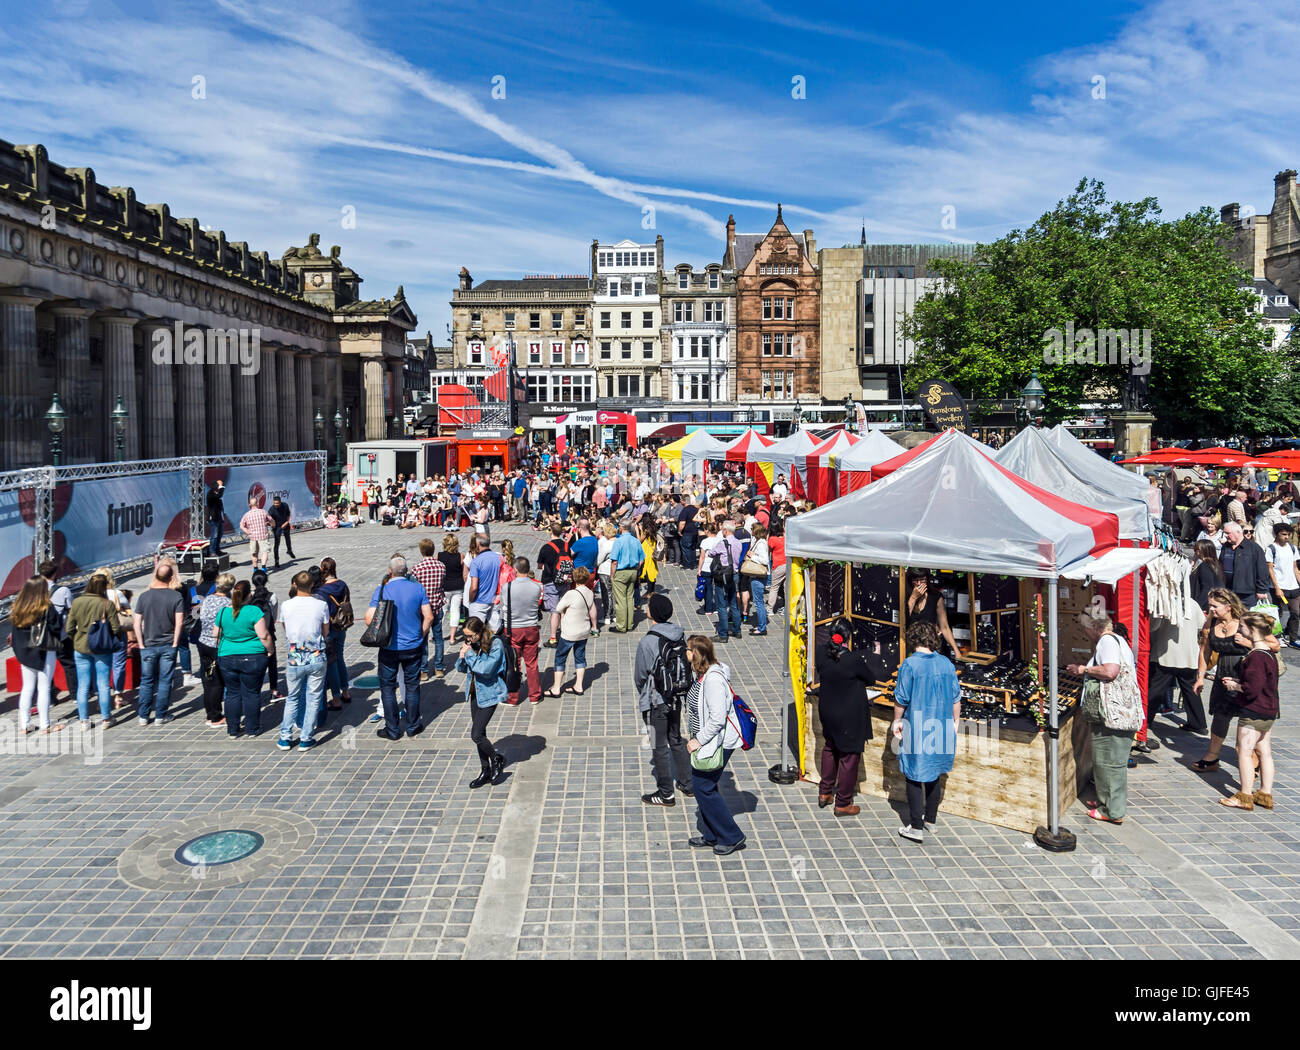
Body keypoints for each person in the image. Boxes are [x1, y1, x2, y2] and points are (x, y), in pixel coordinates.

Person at [1191, 588, 1278, 773]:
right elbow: (1205, 650)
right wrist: (1200, 677)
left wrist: (1248, 643)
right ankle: (1212, 756)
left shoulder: (1246, 622)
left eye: (1215, 606)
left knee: (1248, 718)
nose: (1211, 609)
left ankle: (1253, 759)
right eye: (1210, 605)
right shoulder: (1211, 622)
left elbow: (1274, 645)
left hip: (1247, 675)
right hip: (1223, 675)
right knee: (1221, 716)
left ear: (1228, 607)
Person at [1066, 610, 1139, 825]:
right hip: (1118, 712)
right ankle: (1105, 800)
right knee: (1107, 759)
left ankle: (1112, 811)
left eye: (1085, 627)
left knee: (1109, 761)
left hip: (1113, 713)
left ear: (1095, 626)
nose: (1085, 632)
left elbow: (1110, 671)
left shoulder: (1106, 641)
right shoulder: (1117, 640)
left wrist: (1082, 669)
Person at [893, 620, 961, 841]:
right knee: (934, 774)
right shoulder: (946, 664)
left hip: (918, 726)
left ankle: (915, 827)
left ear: (913, 638)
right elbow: (956, 699)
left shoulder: (910, 665)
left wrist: (897, 721)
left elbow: (901, 699)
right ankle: (930, 820)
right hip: (941, 726)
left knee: (913, 775)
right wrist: (955, 723)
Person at [816, 618, 888, 817]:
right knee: (849, 756)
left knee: (830, 747)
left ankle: (825, 792)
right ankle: (843, 802)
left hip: (828, 710)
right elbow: (870, 679)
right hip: (848, 714)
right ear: (847, 638)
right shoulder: (852, 659)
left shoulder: (822, 653)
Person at [684, 634, 746, 855]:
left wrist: (697, 741)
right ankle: (712, 834)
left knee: (704, 788)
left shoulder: (713, 680)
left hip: (716, 740)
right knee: (704, 787)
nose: (685, 653)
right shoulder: (703, 675)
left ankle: (732, 836)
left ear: (696, 654)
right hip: (706, 738)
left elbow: (718, 719)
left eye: (688, 650)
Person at [1216, 611, 1280, 811]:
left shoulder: (1255, 657)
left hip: (1254, 710)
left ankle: (1244, 795)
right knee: (1264, 752)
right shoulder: (1269, 653)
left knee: (1244, 751)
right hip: (1269, 709)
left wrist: (1235, 686)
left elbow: (1252, 689)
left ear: (1253, 630)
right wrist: (1238, 681)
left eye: (1243, 626)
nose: (1240, 630)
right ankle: (1265, 794)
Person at [367, 555, 434, 741]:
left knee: (388, 688)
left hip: (389, 647)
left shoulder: (382, 590)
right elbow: (428, 617)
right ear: (406, 571)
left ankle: (392, 729)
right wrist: (420, 635)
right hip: (413, 646)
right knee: (412, 686)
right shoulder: (417, 588)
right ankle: (413, 726)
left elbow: (368, 619)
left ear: (390, 571)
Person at [635, 594, 692, 806]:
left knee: (658, 746)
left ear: (654, 613)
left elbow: (640, 675)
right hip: (675, 696)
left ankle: (665, 792)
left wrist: (644, 695)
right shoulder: (678, 634)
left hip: (655, 701)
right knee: (676, 738)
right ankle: (687, 783)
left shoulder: (647, 641)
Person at [276, 571, 330, 751]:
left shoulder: (286, 605)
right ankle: (306, 737)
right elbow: (325, 631)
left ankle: (285, 736)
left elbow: (285, 627)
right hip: (315, 655)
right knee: (313, 697)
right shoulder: (321, 605)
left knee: (292, 697)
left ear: (294, 584)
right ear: (312, 585)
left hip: (294, 656)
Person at [213, 579, 273, 738]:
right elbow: (264, 635)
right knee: (251, 693)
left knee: (232, 693)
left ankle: (232, 729)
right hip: (253, 656)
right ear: (248, 595)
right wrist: (270, 650)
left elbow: (215, 634)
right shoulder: (254, 611)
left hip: (227, 656)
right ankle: (252, 729)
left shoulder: (223, 612)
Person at [64, 574, 125, 731]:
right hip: (102, 648)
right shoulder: (106, 604)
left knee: (83, 685)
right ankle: (106, 718)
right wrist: (116, 639)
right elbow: (116, 628)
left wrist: (76, 639)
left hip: (81, 647)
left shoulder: (77, 602)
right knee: (103, 684)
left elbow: (69, 628)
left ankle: (84, 721)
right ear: (104, 587)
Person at [456, 616, 509, 788]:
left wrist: (469, 654)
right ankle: (485, 770)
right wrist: (462, 656)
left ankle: (496, 759)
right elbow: (461, 668)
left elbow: (486, 670)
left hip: (490, 694)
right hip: (474, 693)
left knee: (476, 734)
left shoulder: (495, 644)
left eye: (470, 636)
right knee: (481, 736)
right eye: (466, 636)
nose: (468, 639)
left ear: (480, 632)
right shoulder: (472, 644)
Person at [8, 577, 63, 735]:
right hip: (44, 649)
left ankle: (24, 725)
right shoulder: (46, 607)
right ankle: (45, 725)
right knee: (44, 687)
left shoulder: (18, 607)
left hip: (24, 653)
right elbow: (56, 626)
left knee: (27, 688)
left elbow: (15, 633)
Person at [132, 562, 184, 726]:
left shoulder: (144, 596)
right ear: (171, 578)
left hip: (148, 645)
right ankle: (161, 715)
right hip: (168, 644)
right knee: (165, 680)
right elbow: (179, 622)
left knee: (146, 681)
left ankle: (143, 715)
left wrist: (141, 644)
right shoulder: (176, 597)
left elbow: (136, 623)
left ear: (155, 576)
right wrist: (175, 642)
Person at [1148, 597, 1208, 736]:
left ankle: (1145, 721)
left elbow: (1153, 625)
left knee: (1155, 689)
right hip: (1188, 654)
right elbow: (1201, 624)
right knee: (1191, 690)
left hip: (1166, 653)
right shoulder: (1192, 602)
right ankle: (1198, 723)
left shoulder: (1162, 601)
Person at [548, 566, 598, 696]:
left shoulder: (571, 593)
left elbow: (558, 608)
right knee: (580, 657)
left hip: (570, 631)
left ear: (574, 578)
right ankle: (579, 686)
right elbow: (592, 610)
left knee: (560, 657)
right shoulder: (590, 592)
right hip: (584, 630)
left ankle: (556, 688)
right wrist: (594, 626)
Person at [503, 557, 544, 705]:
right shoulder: (536, 587)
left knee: (514, 663)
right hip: (531, 627)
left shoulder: (507, 587)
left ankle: (512, 697)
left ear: (515, 569)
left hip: (514, 628)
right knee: (532, 663)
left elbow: (505, 607)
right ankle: (535, 695)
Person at [314, 558, 352, 710]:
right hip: (342, 626)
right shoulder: (342, 584)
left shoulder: (321, 591)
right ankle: (346, 691)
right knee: (341, 658)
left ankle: (336, 698)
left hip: (328, 629)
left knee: (332, 663)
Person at [197, 571, 234, 726]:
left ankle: (209, 712)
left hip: (203, 641)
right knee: (217, 682)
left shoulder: (208, 599)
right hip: (217, 644)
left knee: (208, 679)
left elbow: (202, 617)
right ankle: (216, 716)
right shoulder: (228, 604)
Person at [38, 559, 77, 704]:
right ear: (54, 574)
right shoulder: (63, 591)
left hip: (42, 636)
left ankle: (50, 697)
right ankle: (74, 695)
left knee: (46, 667)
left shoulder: (35, 591)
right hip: (61, 634)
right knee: (69, 664)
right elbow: (71, 609)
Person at [905, 571, 963, 658]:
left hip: (930, 646)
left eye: (922, 580)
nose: (919, 584)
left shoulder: (935, 596)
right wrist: (913, 598)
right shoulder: (905, 596)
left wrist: (956, 651)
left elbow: (944, 627)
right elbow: (904, 621)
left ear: (927, 580)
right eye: (915, 580)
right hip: (912, 647)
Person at [412, 537, 447, 679]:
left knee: (423, 638)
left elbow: (414, 589)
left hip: (423, 609)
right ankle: (439, 667)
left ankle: (423, 669)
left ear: (421, 551)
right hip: (438, 605)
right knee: (438, 638)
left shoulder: (417, 569)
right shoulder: (441, 566)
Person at [1264, 522, 1300, 647]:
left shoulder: (1293, 548)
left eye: (1288, 535)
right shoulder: (1271, 549)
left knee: (1296, 612)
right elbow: (1270, 569)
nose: (1286, 537)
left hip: (1293, 586)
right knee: (1277, 613)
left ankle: (1293, 637)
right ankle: (1278, 636)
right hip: (1279, 587)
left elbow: (1295, 567)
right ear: (1276, 534)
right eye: (1283, 534)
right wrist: (1277, 588)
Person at [1219, 522, 1270, 608]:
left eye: (1228, 533)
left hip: (1246, 594)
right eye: (1225, 533)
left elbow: (1262, 570)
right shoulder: (1226, 547)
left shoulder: (1254, 548)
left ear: (1238, 532)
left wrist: (1261, 590)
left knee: (1246, 619)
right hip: (1227, 591)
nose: (1226, 536)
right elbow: (1220, 565)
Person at [537, 524, 572, 646]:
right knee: (564, 609)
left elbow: (540, 565)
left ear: (550, 532)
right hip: (564, 580)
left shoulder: (546, 548)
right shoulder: (567, 545)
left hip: (550, 581)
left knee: (554, 611)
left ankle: (553, 638)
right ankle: (565, 634)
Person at [709, 521, 743, 643]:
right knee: (733, 603)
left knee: (722, 605)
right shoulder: (738, 543)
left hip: (723, 575)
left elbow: (711, 553)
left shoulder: (723, 543)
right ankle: (737, 630)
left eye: (723, 529)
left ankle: (723, 634)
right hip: (734, 574)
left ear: (726, 530)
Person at [608, 521, 645, 634]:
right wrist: (636, 569)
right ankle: (629, 624)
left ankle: (621, 626)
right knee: (630, 598)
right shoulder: (636, 541)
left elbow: (614, 562)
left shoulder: (618, 541)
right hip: (633, 571)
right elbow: (642, 559)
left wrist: (612, 575)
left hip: (621, 571)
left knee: (620, 600)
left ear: (621, 528)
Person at [743, 524, 772, 636]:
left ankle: (761, 628)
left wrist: (752, 556)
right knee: (758, 602)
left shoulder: (761, 543)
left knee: (759, 603)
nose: (751, 531)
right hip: (756, 577)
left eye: (752, 529)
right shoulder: (760, 541)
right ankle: (760, 625)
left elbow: (764, 560)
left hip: (758, 577)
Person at [466, 534, 501, 623]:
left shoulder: (476, 561)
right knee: (494, 631)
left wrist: (470, 600)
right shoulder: (499, 557)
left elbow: (474, 587)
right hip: (495, 600)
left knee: (476, 631)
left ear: (478, 544)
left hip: (479, 601)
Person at [438, 535, 466, 642]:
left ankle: (438, 634)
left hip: (445, 587)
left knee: (443, 611)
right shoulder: (460, 556)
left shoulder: (439, 556)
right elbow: (464, 575)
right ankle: (452, 638)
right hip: (458, 587)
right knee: (455, 611)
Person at [239, 496, 274, 571]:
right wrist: (273, 524)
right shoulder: (263, 512)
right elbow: (271, 519)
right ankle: (263, 567)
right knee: (265, 552)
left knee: (254, 553)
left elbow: (241, 526)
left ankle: (255, 568)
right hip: (263, 535)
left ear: (249, 505)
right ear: (257, 503)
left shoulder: (246, 515)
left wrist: (247, 532)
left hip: (253, 537)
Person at [1190, 539, 1224, 611]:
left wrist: (1197, 606)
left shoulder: (1205, 565)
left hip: (1204, 606)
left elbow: (1207, 588)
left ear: (1205, 550)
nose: (1195, 552)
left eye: (1197, 549)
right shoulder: (1215, 564)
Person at [268, 495, 296, 567]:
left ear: (280, 502)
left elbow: (289, 515)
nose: (276, 505)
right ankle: (276, 561)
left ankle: (289, 551)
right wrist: (271, 524)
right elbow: (268, 520)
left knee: (288, 538)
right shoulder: (271, 509)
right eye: (274, 503)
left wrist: (286, 523)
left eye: (277, 503)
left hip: (285, 523)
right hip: (277, 527)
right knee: (277, 544)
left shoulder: (285, 505)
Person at [206, 479, 225, 553]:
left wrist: (222, 517)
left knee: (220, 534)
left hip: (219, 517)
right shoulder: (210, 493)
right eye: (219, 486)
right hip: (213, 518)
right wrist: (221, 486)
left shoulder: (216, 494)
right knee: (214, 535)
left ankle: (217, 550)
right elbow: (219, 495)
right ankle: (212, 552)